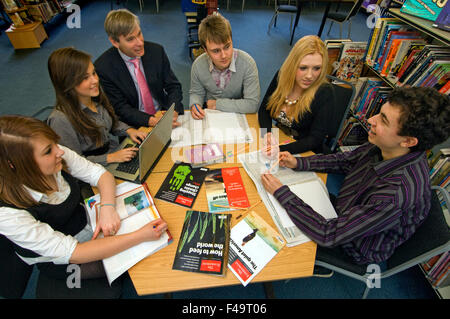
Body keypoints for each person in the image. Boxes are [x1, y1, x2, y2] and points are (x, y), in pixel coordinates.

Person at [261, 87, 450, 265]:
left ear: (408, 141)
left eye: (383, 120)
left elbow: (329, 234)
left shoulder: (394, 195)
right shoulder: (388, 145)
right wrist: (299, 163)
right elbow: (347, 160)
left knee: (269, 229)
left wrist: (282, 193)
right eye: (379, 113)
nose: (370, 120)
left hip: (352, 246)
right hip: (346, 211)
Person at [0, 115, 168, 298]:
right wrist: (139, 236)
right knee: (143, 256)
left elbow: (100, 175)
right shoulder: (8, 214)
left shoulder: (54, 154)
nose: (60, 152)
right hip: (63, 260)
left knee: (148, 238)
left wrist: (108, 208)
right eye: (48, 151)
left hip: (87, 223)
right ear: (14, 164)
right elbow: (75, 252)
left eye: (55, 144)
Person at [47, 47, 147, 167]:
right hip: (95, 169)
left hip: (116, 154)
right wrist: (110, 157)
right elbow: (72, 164)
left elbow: (111, 123)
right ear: (67, 82)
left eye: (93, 73)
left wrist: (129, 130)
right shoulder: (60, 120)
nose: (95, 80)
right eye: (85, 78)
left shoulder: (94, 96)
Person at [94, 9, 183, 128]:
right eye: (130, 39)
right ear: (114, 42)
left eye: (139, 34)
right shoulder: (104, 68)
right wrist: (151, 121)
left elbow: (173, 86)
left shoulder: (156, 51)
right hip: (136, 124)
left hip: (164, 112)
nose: (140, 43)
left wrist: (172, 111)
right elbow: (120, 108)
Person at [258, 35, 333, 155]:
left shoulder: (324, 92)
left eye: (317, 68)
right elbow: (264, 110)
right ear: (293, 64)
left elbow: (315, 140)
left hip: (304, 152)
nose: (309, 75)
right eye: (303, 68)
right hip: (280, 141)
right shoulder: (281, 76)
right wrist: (267, 133)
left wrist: (280, 150)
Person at [189, 12, 260, 120]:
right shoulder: (198, 65)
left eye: (227, 47)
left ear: (232, 40)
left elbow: (252, 104)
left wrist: (217, 104)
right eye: (216, 51)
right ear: (205, 50)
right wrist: (195, 104)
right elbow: (196, 92)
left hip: (238, 115)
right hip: (210, 116)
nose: (224, 55)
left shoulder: (248, 64)